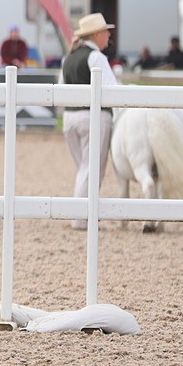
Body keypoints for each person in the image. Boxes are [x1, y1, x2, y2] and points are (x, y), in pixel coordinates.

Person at [60, 13, 120, 230]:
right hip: (93, 117)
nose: (109, 34)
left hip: (69, 118)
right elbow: (114, 91)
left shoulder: (69, 58)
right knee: (91, 169)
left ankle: (82, 214)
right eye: (105, 31)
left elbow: (61, 88)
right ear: (96, 35)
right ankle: (82, 218)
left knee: (83, 169)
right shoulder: (96, 58)